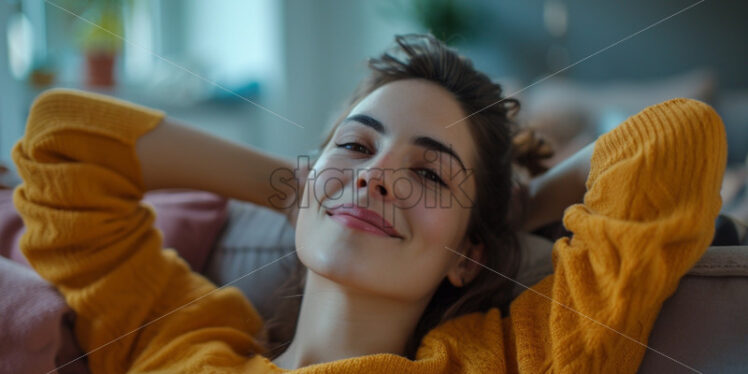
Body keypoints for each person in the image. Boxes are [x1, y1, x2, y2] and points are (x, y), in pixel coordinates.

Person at [12, 33, 727, 373]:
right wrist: (305, 188)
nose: (379, 177)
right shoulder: (181, 341)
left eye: (433, 173)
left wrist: (519, 206)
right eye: (357, 146)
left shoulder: (508, 361)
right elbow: (63, 141)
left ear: (467, 257)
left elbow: (675, 137)